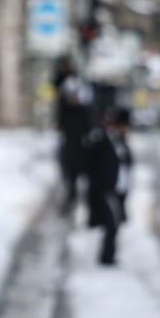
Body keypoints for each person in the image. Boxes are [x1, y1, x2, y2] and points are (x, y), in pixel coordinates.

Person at [86, 107, 133, 266]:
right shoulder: (104, 140)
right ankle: (107, 257)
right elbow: (93, 166)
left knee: (114, 223)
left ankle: (108, 255)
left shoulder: (120, 142)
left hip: (117, 190)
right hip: (107, 190)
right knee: (112, 223)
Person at [54, 59, 93, 214]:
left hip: (81, 144)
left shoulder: (83, 113)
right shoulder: (66, 108)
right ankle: (72, 194)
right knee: (68, 171)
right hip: (70, 143)